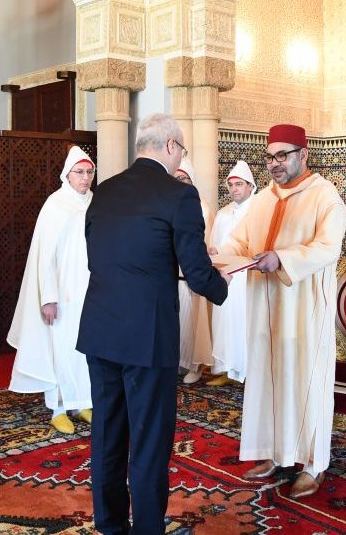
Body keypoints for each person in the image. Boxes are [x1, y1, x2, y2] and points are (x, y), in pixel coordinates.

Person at [77, 113, 230, 535]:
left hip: (100, 331)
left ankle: (109, 526)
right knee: (147, 442)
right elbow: (198, 273)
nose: (180, 155)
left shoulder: (104, 192)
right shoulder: (178, 196)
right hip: (147, 338)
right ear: (168, 146)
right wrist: (223, 285)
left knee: (108, 434)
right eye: (180, 149)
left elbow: (97, 257)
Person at [218, 124, 346, 499]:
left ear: (303, 155)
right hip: (264, 309)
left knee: (306, 384)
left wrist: (283, 259)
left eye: (283, 155)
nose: (275, 163)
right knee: (268, 381)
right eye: (270, 156)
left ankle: (312, 463)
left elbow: (328, 247)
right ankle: (274, 454)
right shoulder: (262, 199)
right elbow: (239, 243)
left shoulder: (325, 196)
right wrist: (219, 262)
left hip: (304, 310)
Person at [8, 146, 95, 434]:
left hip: (89, 289)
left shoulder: (95, 202)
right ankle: (58, 407)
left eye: (89, 172)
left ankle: (82, 401)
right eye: (79, 172)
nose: (85, 178)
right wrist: (48, 298)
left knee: (85, 347)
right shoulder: (55, 204)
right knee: (60, 346)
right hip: (61, 292)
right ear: (67, 175)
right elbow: (44, 256)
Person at [207, 160, 256, 386]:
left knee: (245, 323)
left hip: (249, 278)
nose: (234, 189)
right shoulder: (223, 214)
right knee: (225, 322)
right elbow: (215, 245)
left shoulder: (258, 211)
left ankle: (248, 372)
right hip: (226, 278)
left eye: (239, 184)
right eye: (231, 185)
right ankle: (228, 370)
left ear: (250, 186)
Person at [173, 159, 214, 385]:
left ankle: (195, 365)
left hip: (192, 276)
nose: (179, 183)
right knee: (178, 322)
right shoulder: (171, 205)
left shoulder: (203, 208)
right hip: (174, 275)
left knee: (194, 322)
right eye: (176, 179)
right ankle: (181, 361)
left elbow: (204, 244)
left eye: (184, 179)